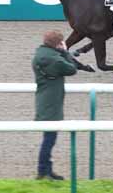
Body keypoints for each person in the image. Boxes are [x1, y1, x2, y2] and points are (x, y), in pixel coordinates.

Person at [32, 30, 78, 181]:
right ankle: (43, 171)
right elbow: (72, 69)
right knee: (49, 140)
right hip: (52, 104)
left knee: (49, 138)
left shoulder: (40, 54)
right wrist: (65, 52)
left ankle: (47, 170)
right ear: (58, 44)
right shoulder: (55, 60)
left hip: (44, 100)